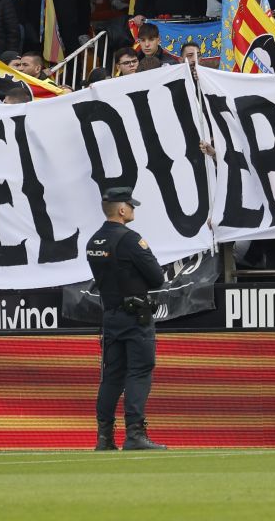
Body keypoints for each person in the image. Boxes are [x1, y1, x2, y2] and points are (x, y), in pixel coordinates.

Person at [86, 184, 165, 451]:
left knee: (112, 376)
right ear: (121, 209)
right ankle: (135, 434)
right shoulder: (130, 239)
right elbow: (157, 278)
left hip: (110, 317)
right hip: (135, 318)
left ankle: (104, 438)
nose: (132, 209)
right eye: (130, 205)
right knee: (139, 372)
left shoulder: (93, 242)